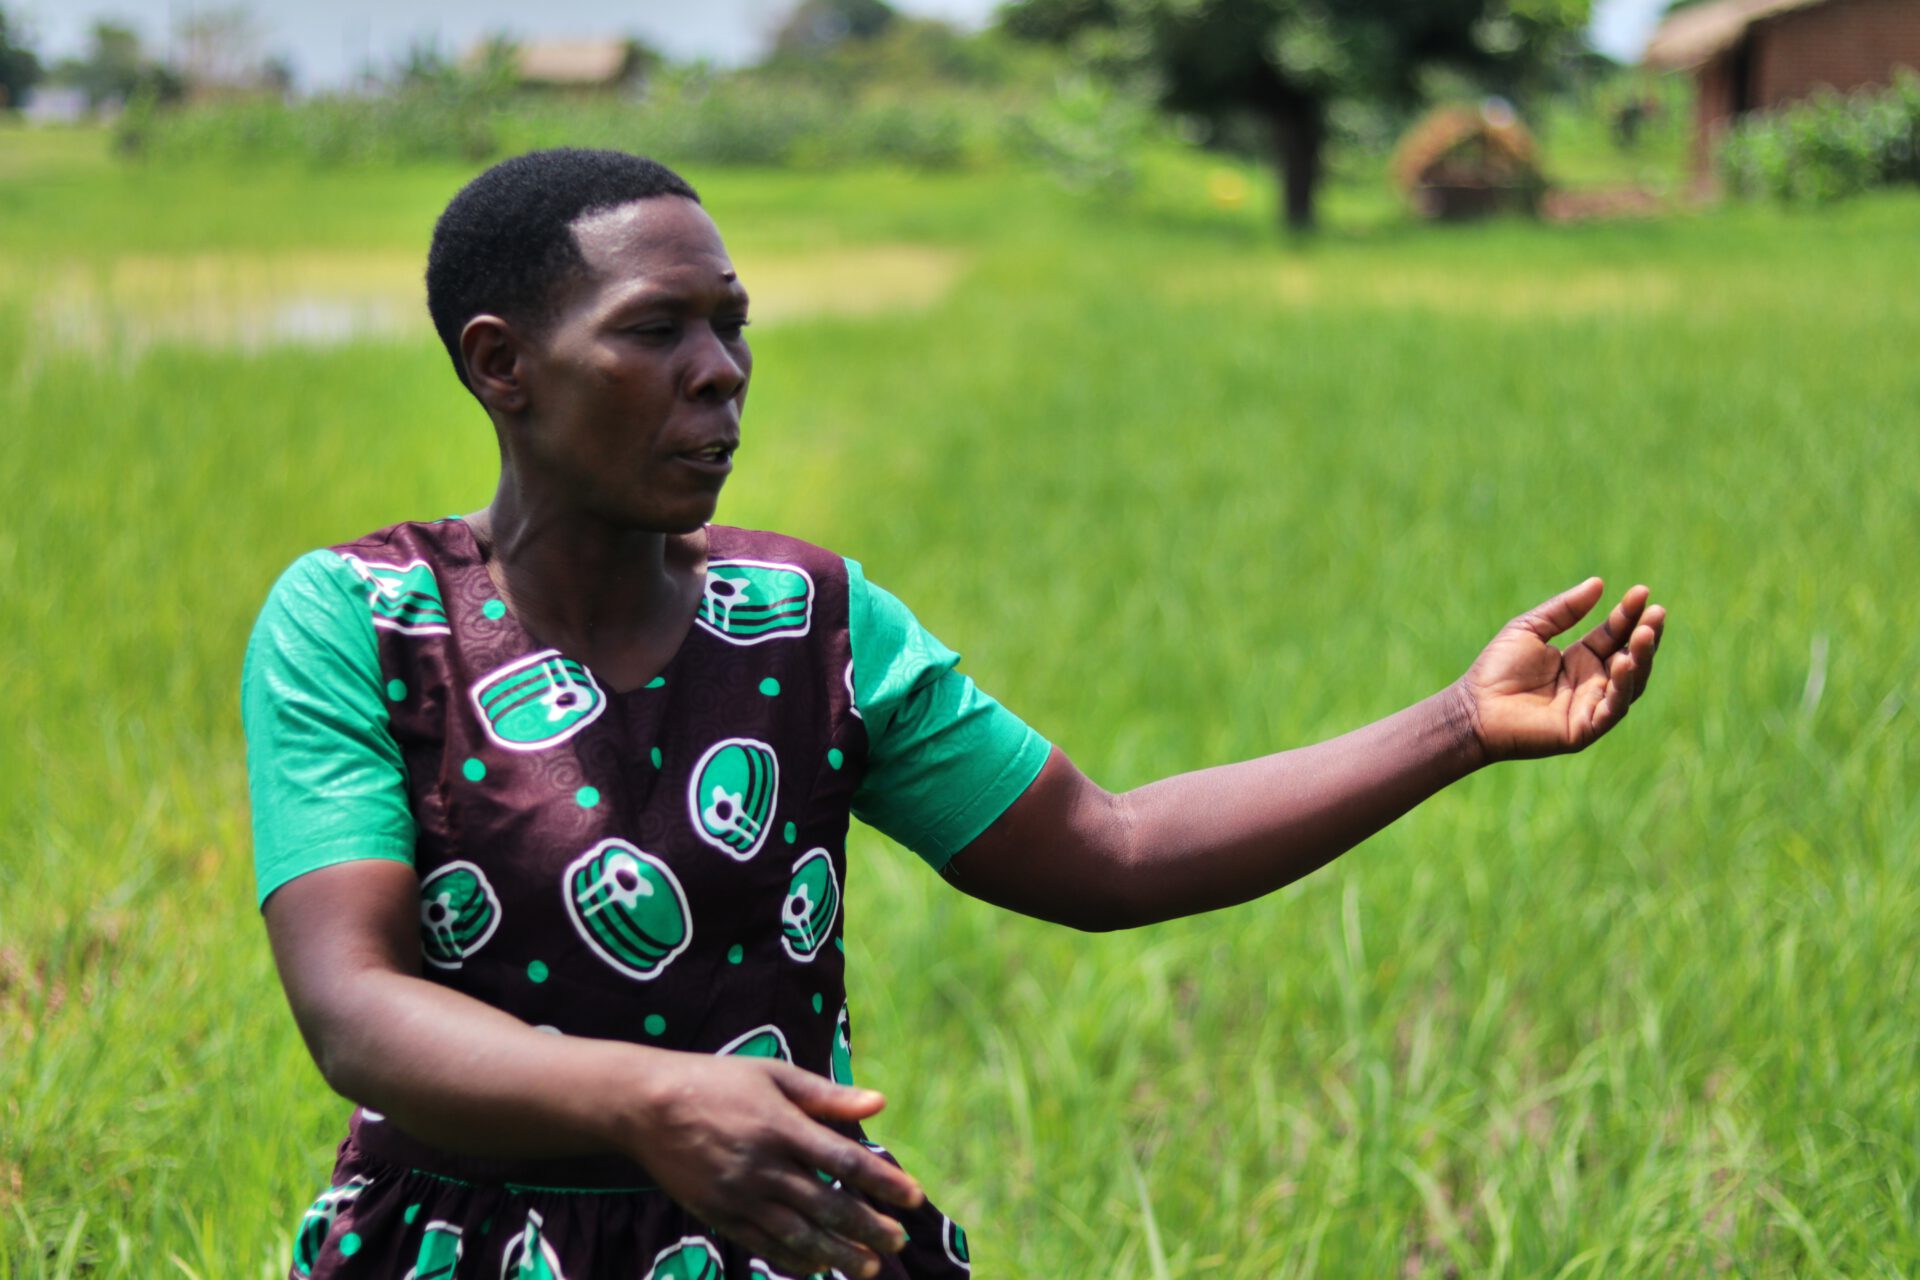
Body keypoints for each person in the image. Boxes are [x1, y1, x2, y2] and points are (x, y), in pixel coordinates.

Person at [243, 148, 1665, 1280]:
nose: (721, 371)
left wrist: (1460, 727)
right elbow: (354, 1006)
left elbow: (1105, 850)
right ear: (503, 368)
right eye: (656, 331)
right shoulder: (366, 623)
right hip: (464, 1250)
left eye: (732, 326)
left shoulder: (806, 621)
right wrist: (650, 1103)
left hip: (783, 1246)